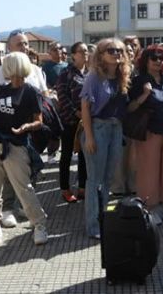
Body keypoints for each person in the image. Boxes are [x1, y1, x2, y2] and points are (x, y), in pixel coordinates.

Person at [0, 52, 49, 247]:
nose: (3, 68)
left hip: (16, 144)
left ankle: (39, 223)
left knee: (23, 187)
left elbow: (38, 121)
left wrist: (26, 127)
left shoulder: (31, 92)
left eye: (6, 65)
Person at [80, 37, 131, 239]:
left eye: (119, 50)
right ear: (101, 54)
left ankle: (105, 220)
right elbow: (84, 107)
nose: (117, 53)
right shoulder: (94, 77)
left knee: (108, 179)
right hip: (98, 128)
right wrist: (90, 137)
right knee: (94, 181)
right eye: (111, 50)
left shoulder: (122, 76)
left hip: (116, 129)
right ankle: (93, 225)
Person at [129, 45, 163, 225]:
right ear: (146, 60)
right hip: (149, 132)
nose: (158, 61)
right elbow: (130, 108)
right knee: (149, 171)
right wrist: (145, 94)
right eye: (154, 57)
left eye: (161, 57)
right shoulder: (139, 81)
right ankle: (149, 208)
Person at [55, 41, 89, 203]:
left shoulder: (90, 73)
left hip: (86, 122)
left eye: (86, 51)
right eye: (81, 51)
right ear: (73, 55)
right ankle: (65, 189)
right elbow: (62, 96)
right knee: (67, 155)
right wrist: (77, 113)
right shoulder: (66, 73)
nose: (85, 54)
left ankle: (82, 187)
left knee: (84, 155)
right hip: (69, 121)